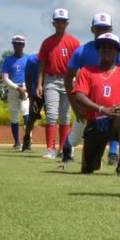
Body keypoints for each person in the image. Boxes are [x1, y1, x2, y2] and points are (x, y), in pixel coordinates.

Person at [70, 33, 120, 175]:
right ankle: (95, 158)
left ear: (118, 51)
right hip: (96, 124)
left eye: (111, 47)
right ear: (98, 50)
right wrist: (102, 109)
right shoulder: (86, 71)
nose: (106, 50)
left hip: (118, 122)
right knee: (88, 169)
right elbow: (79, 96)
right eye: (102, 47)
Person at [66, 12, 120, 165]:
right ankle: (68, 148)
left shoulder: (119, 46)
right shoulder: (82, 51)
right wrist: (74, 106)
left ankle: (113, 153)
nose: (102, 31)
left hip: (112, 98)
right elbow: (68, 78)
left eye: (105, 28)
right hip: (89, 102)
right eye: (98, 28)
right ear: (92, 29)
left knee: (119, 119)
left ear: (111, 29)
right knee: (76, 138)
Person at [37, 9, 80, 160]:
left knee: (65, 116)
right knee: (52, 115)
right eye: (58, 21)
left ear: (67, 23)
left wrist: (78, 82)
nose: (60, 24)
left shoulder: (74, 42)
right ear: (53, 23)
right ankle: (50, 149)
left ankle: (63, 148)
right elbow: (41, 64)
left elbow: (79, 66)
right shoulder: (47, 42)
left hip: (68, 80)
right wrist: (39, 84)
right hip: (51, 80)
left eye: (63, 21)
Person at [0, 36, 31, 149]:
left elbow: (34, 75)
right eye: (15, 44)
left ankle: (28, 141)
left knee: (26, 113)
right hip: (13, 88)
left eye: (20, 44)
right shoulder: (8, 60)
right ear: (13, 45)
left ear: (24, 45)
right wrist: (17, 88)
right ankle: (17, 142)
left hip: (26, 88)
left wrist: (27, 88)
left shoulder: (29, 59)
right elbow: (5, 78)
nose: (18, 46)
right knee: (14, 116)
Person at [21, 50, 42, 152]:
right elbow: (28, 79)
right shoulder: (32, 60)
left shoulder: (52, 59)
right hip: (35, 93)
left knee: (52, 117)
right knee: (32, 118)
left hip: (50, 91)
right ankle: (26, 139)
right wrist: (31, 97)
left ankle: (52, 145)